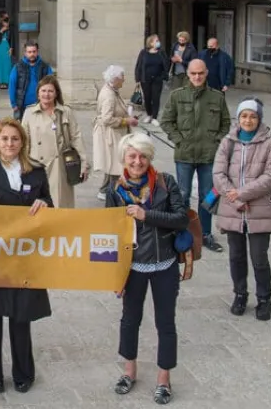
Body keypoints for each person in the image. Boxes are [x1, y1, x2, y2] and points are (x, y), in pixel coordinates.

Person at [0, 118, 53, 394]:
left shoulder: (36, 171)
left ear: (22, 142)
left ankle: (23, 373)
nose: (9, 144)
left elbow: (50, 205)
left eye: (15, 139)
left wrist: (44, 204)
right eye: (4, 138)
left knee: (21, 315)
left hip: (23, 255)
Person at [106, 133, 189, 406]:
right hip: (133, 268)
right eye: (132, 156)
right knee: (130, 320)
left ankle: (164, 379)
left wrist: (147, 215)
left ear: (150, 157)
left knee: (165, 322)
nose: (138, 162)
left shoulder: (166, 183)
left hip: (164, 263)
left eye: (143, 156)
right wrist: (113, 273)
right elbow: (108, 234)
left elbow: (180, 217)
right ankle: (129, 371)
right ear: (124, 160)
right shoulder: (115, 191)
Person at [213, 99, 271, 321]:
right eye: (244, 116)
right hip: (233, 209)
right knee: (236, 256)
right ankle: (240, 294)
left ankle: (264, 298)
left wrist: (242, 194)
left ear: (259, 119)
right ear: (238, 118)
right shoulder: (228, 141)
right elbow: (218, 174)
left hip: (260, 208)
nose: (248, 120)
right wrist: (234, 198)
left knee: (259, 257)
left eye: (252, 116)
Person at [160, 59, 231, 253]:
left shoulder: (216, 97)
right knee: (182, 195)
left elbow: (226, 123)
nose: (197, 77)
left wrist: (216, 141)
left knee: (207, 196)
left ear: (206, 73)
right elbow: (166, 121)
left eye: (200, 73)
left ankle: (205, 233)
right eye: (193, 73)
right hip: (184, 154)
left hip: (208, 156)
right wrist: (179, 140)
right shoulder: (177, 96)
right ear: (188, 74)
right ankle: (183, 232)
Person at [21, 75, 88, 208]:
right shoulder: (29, 113)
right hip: (37, 166)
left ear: (56, 93)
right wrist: (22, 163)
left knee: (60, 204)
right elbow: (24, 141)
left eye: (50, 91)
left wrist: (84, 163)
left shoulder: (65, 112)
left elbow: (76, 137)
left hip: (60, 167)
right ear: (38, 93)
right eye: (43, 91)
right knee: (37, 205)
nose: (47, 94)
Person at [94, 65, 138, 201]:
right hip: (111, 134)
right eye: (122, 77)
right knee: (115, 164)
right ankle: (108, 191)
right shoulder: (109, 95)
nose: (124, 80)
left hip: (114, 133)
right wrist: (126, 121)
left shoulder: (112, 90)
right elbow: (107, 119)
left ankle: (108, 189)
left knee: (113, 164)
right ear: (115, 79)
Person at [8, 41, 53, 120]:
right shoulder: (17, 67)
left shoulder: (45, 67)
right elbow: (12, 85)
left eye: (34, 51)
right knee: (25, 131)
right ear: (25, 53)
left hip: (41, 105)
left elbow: (52, 85)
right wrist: (14, 104)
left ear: (37, 52)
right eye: (29, 52)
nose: (32, 54)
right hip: (23, 106)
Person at [134, 35, 169, 125]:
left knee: (156, 98)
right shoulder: (143, 53)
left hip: (157, 79)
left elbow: (166, 65)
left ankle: (154, 117)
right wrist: (137, 79)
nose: (158, 42)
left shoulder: (161, 52)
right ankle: (149, 114)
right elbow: (138, 66)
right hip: (145, 79)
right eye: (156, 40)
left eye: (158, 40)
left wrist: (163, 76)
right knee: (147, 98)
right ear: (151, 42)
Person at [0, 13, 14, 85]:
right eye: (5, 22)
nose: (7, 24)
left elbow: (12, 39)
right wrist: (1, 31)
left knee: (7, 64)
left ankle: (7, 81)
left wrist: (11, 48)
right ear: (2, 22)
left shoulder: (10, 29)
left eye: (8, 22)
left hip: (7, 47)